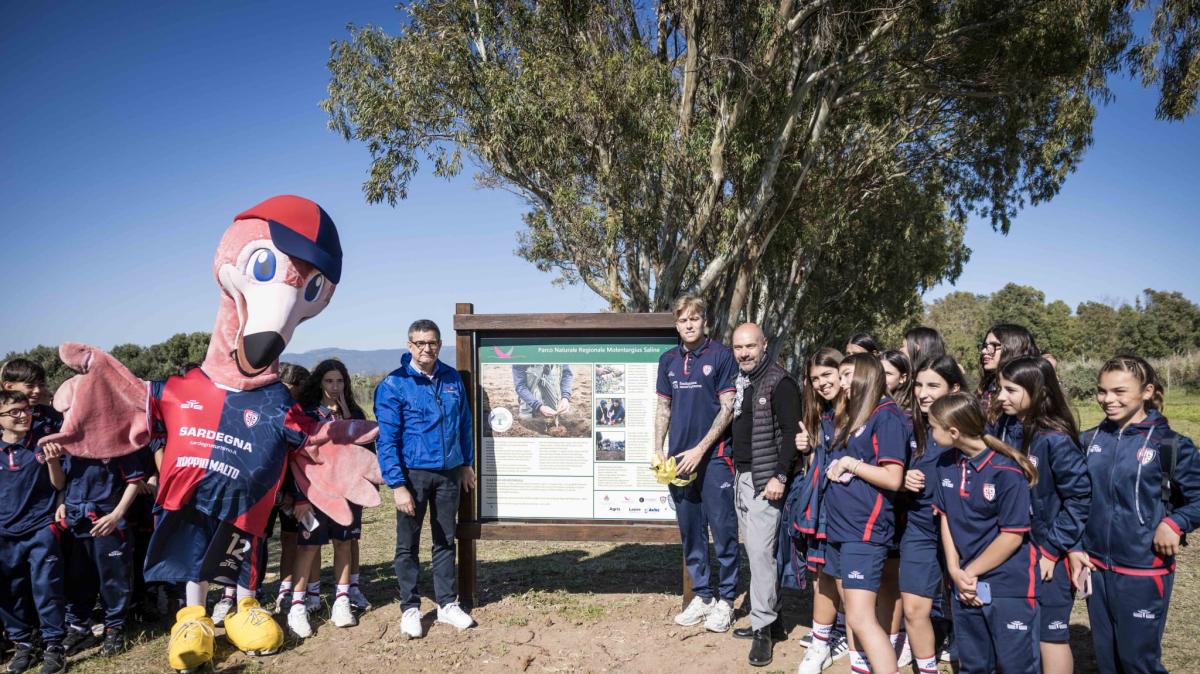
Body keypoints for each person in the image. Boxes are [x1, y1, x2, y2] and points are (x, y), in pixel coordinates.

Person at [1068, 356, 1199, 674]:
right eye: (1102, 391)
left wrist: (1174, 522)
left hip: (1144, 571)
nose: (1108, 400)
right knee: (1108, 661)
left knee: (1137, 662)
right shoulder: (1088, 441)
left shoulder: (1170, 444)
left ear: (1146, 391)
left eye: (1119, 391)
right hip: (1096, 569)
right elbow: (1074, 500)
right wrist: (1074, 548)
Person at [375, 319, 476, 639]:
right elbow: (387, 440)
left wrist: (466, 463)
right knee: (408, 545)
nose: (426, 349)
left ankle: (447, 605)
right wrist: (397, 484)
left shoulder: (451, 379)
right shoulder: (394, 384)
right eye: (419, 343)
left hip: (448, 474)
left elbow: (464, 424)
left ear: (439, 344)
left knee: (445, 540)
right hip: (412, 476)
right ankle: (410, 607)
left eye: (431, 342)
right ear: (409, 346)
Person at [930, 393, 1041, 674]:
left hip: (1007, 586)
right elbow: (946, 518)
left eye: (934, 427)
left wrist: (971, 572)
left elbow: (1012, 536)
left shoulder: (1006, 472)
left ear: (954, 432)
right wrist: (954, 570)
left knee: (1016, 666)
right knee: (974, 666)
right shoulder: (945, 464)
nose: (931, 433)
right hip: (964, 584)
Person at [995, 357, 1090, 674]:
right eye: (1000, 388)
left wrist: (1053, 550)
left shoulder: (1056, 440)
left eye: (1010, 390)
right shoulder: (1005, 428)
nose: (1000, 397)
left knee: (1050, 636)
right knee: (1020, 631)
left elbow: (1078, 499)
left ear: (1038, 391)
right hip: (1014, 550)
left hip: (1049, 554)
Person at [654, 295, 739, 633]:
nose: (689, 325)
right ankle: (703, 596)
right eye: (682, 320)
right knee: (690, 533)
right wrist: (657, 448)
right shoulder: (668, 360)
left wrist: (700, 450)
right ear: (676, 323)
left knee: (723, 532)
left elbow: (727, 408)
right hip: (678, 463)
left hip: (715, 459)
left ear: (705, 321)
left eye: (695, 318)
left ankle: (727, 599)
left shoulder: (721, 356)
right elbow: (663, 408)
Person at [823, 354, 908, 674]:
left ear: (867, 377)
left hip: (865, 531)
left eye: (847, 375)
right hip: (841, 530)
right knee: (851, 613)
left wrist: (852, 464)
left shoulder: (886, 417)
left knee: (860, 617)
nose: (841, 382)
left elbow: (893, 478)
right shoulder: (855, 414)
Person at [727, 324, 801, 667]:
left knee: (759, 555)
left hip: (765, 481)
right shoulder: (745, 381)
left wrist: (779, 475)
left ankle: (762, 632)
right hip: (743, 477)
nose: (744, 352)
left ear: (764, 345)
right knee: (758, 553)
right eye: (739, 347)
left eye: (750, 346)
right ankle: (775, 622)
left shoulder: (780, 382)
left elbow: (791, 434)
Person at [287, 359, 373, 637]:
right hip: (314, 492)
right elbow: (298, 455)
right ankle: (298, 605)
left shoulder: (355, 411)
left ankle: (341, 601)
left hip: (347, 492)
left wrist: (347, 413)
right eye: (329, 381)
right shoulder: (307, 413)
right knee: (308, 546)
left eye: (339, 381)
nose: (335, 387)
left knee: (344, 543)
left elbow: (365, 446)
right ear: (319, 383)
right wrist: (299, 496)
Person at [901, 356, 967, 674]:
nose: (923, 393)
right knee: (914, 609)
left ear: (954, 388)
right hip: (920, 528)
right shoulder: (911, 425)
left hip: (964, 531)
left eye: (933, 385)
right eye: (919, 385)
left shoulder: (972, 429)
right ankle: (926, 669)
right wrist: (903, 480)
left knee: (967, 608)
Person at [58, 440, 146, 657]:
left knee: (114, 576)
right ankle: (79, 627)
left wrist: (116, 515)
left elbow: (134, 480)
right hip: (76, 518)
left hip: (108, 517)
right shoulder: (68, 440)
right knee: (78, 576)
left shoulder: (114, 438)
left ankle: (114, 627)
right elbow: (62, 482)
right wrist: (61, 502)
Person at [0, 390, 68, 674]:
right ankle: (23, 645)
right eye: (14, 411)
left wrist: (53, 461)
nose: (23, 415)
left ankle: (54, 648)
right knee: (9, 592)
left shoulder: (42, 443)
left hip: (41, 527)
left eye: (25, 409)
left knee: (47, 589)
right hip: (4, 533)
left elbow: (59, 485)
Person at [794, 348, 850, 674]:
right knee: (821, 577)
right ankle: (820, 644)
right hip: (821, 506)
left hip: (849, 511)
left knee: (848, 585)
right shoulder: (822, 414)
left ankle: (859, 649)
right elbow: (817, 460)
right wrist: (807, 447)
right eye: (815, 379)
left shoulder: (861, 413)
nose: (822, 384)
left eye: (827, 375)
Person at [271, 363, 310, 616]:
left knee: (292, 539)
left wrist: (293, 494)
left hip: (291, 489)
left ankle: (288, 589)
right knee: (260, 542)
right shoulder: (272, 408)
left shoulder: (300, 413)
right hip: (269, 488)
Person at [975, 324, 1040, 413]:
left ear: (1014, 348)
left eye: (994, 345)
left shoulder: (1024, 398)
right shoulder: (987, 387)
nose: (984, 351)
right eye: (985, 346)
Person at [512, 364, 573, 430]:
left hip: (549, 371)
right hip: (532, 371)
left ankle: (537, 397)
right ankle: (526, 407)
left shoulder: (559, 354)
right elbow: (520, 386)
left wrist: (565, 397)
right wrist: (538, 406)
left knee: (555, 409)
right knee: (533, 372)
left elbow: (566, 373)